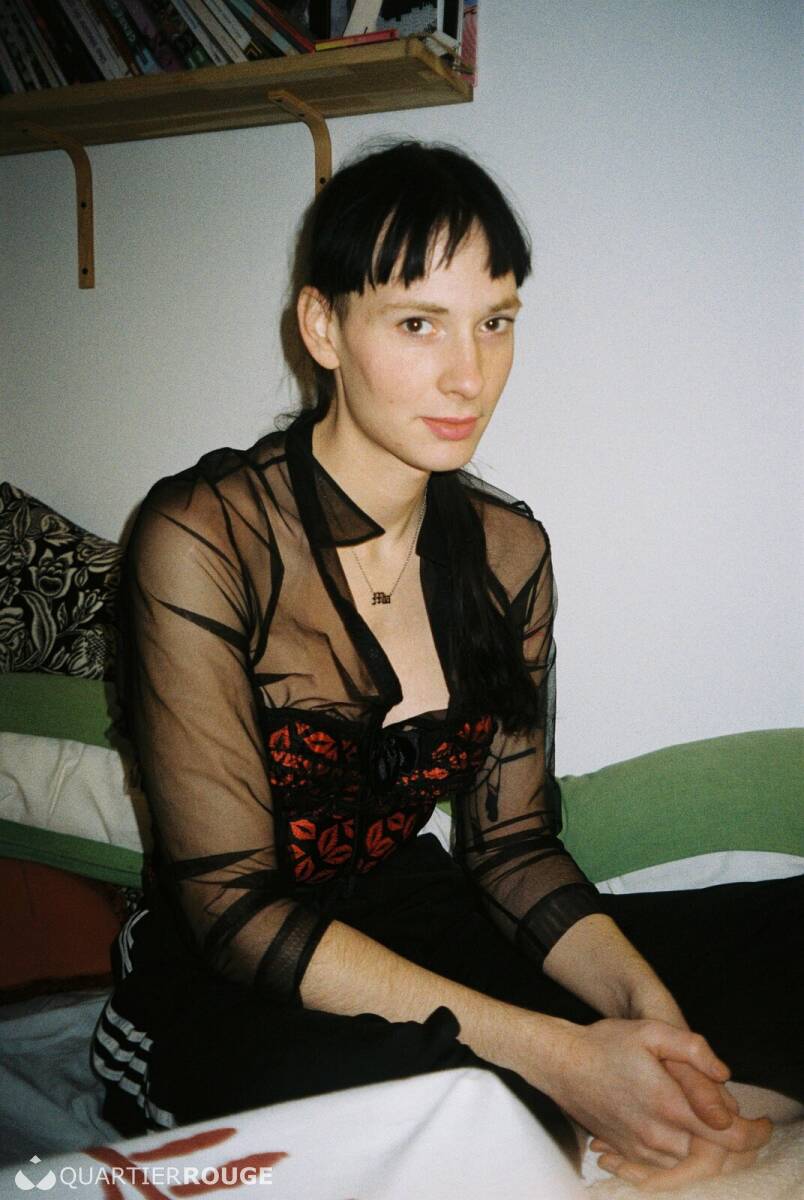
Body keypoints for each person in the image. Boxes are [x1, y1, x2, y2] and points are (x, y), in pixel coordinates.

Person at [92, 140, 802, 1191]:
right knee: (447, 1111)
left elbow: (511, 850)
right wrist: (561, 1055)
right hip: (228, 971)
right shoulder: (202, 540)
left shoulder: (509, 554)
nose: (470, 375)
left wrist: (650, 1014)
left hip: (417, 914)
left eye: (495, 321)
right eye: (418, 323)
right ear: (323, 327)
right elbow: (234, 909)